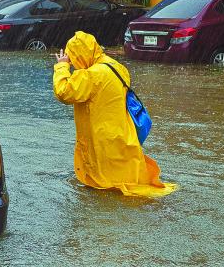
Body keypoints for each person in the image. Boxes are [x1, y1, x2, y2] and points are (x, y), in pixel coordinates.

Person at [53, 31, 177, 198]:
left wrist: (62, 66)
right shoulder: (117, 67)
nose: (74, 65)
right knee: (124, 175)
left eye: (74, 59)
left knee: (104, 185)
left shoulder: (92, 75)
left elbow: (64, 92)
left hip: (102, 138)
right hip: (122, 132)